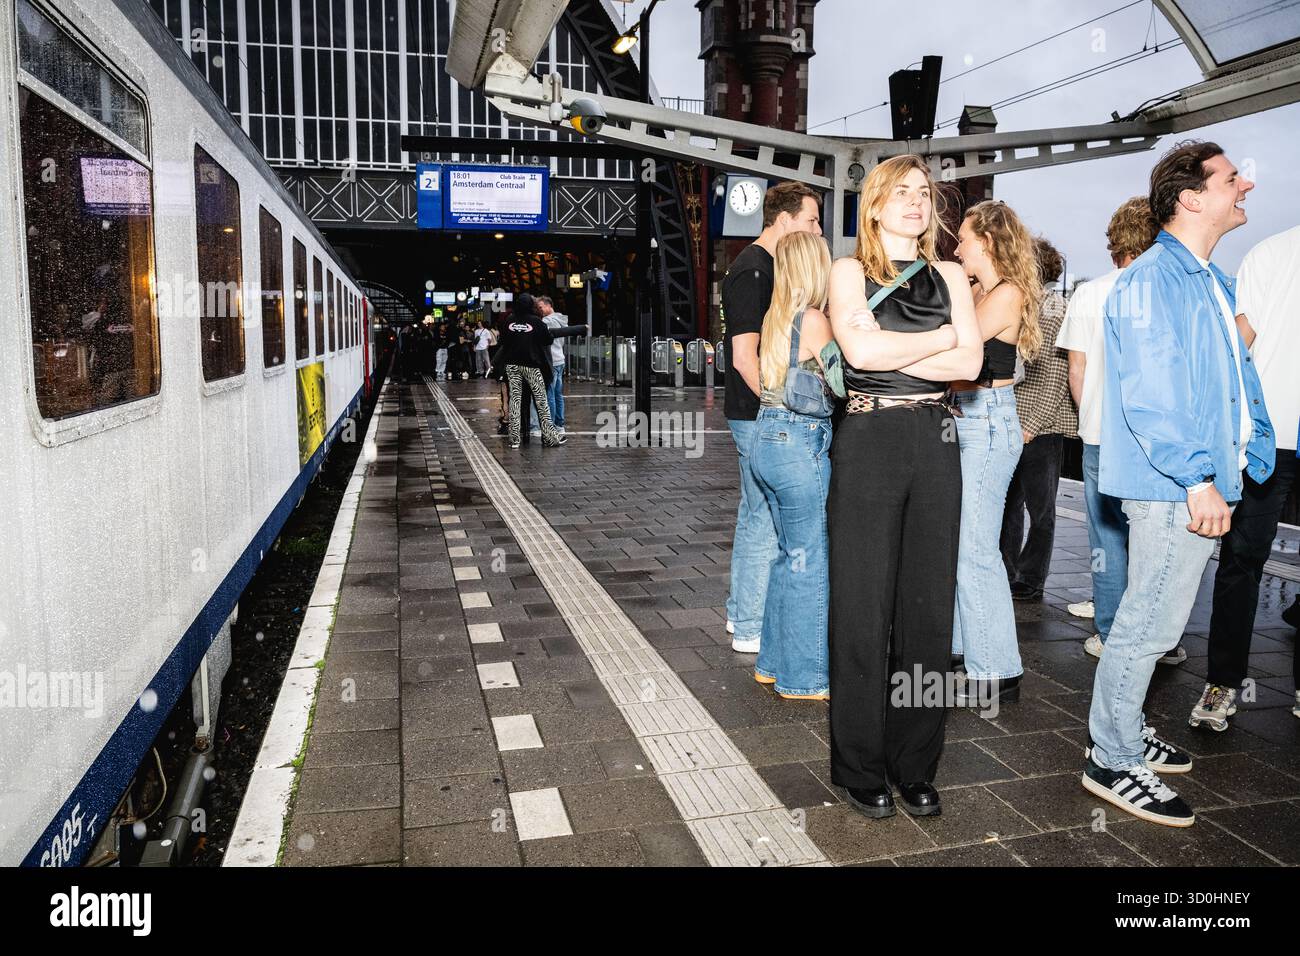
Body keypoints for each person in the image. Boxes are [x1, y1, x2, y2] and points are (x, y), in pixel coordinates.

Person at [1083, 141, 1271, 827]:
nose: (1245, 184)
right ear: (1190, 197)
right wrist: (1198, 480)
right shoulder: (1153, 281)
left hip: (1198, 479)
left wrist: (1250, 452)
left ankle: (1126, 734)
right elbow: (1154, 395)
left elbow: (1235, 376)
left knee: (1154, 623)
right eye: (1230, 179)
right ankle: (1110, 755)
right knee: (1146, 626)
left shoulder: (1208, 280)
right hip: (1172, 487)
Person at [827, 155, 982, 819]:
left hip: (935, 441)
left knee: (927, 612)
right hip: (868, 441)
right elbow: (860, 356)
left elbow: (971, 364)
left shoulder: (950, 273)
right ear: (876, 204)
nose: (917, 202)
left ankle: (915, 764)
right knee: (863, 607)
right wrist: (944, 334)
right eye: (902, 192)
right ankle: (860, 766)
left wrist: (905, 340)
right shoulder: (846, 271)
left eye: (925, 192)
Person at [1192, 223, 1300, 731]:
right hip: (1270, 437)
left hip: (1273, 435)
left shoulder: (1269, 251)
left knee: (1242, 563)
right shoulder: (1273, 252)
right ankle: (1222, 682)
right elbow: (1238, 348)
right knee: (1242, 562)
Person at [1055, 198, 1162, 661]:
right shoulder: (1169, 290)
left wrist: (1091, 417)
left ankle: (1111, 632)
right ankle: (1158, 638)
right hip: (1157, 437)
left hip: (1102, 433)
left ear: (1115, 240)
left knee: (1107, 535)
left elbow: (1075, 372)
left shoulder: (1090, 293)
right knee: (1154, 537)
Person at [721, 180, 823, 655]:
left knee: (756, 513)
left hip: (757, 414)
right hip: (756, 413)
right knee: (762, 518)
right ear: (783, 220)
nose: (817, 229)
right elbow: (745, 356)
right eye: (811, 219)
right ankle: (748, 624)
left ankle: (741, 612)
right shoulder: (754, 271)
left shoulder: (764, 267)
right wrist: (775, 408)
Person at [949, 200, 1042, 707]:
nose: (957, 246)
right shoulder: (981, 289)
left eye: (963, 237)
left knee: (975, 549)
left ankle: (997, 669)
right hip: (970, 419)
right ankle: (968, 648)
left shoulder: (1005, 294)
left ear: (986, 240)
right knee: (964, 543)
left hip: (987, 422)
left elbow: (957, 344)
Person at [749, 231, 836, 701]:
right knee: (809, 560)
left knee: (788, 556)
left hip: (766, 432)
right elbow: (844, 381)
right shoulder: (816, 319)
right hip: (798, 441)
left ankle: (771, 663)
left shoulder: (774, 316)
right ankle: (803, 678)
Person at [1000, 238, 1077, 603]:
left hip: (1039, 430)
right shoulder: (1025, 306)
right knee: (1008, 504)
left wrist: (1031, 425)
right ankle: (1006, 569)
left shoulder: (1055, 311)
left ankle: (1030, 580)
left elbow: (1056, 379)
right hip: (1014, 423)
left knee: (1040, 510)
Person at [497, 293, 587, 448]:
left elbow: (503, 341)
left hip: (512, 367)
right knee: (541, 401)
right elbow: (547, 339)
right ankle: (549, 437)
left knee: (515, 402)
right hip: (532, 366)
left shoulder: (509, 321)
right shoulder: (536, 321)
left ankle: (514, 440)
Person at [530, 296, 570, 435]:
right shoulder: (561, 319)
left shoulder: (547, 321)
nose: (539, 310)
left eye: (541, 307)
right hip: (560, 359)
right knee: (558, 395)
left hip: (550, 361)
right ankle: (560, 425)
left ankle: (550, 425)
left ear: (549, 305)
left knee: (550, 395)